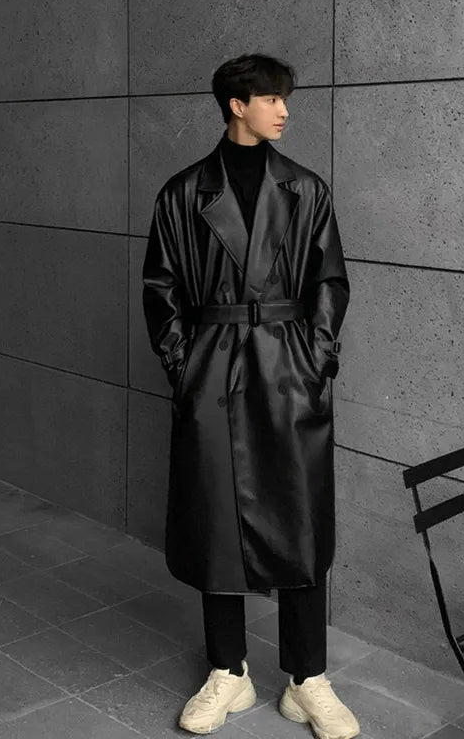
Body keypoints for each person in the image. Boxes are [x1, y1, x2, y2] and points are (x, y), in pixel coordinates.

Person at [142, 53, 357, 739]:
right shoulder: (183, 193)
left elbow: (329, 281)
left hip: (288, 367)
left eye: (284, 98)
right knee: (215, 519)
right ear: (238, 105)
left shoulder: (306, 189)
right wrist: (184, 365)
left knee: (301, 519)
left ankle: (307, 678)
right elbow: (160, 289)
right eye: (271, 98)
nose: (284, 110)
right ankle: (227, 671)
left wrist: (316, 359)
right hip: (212, 368)